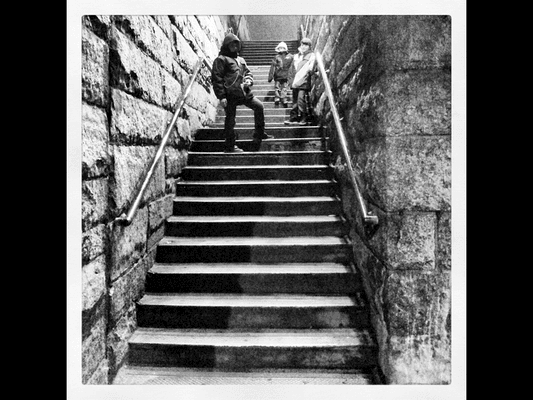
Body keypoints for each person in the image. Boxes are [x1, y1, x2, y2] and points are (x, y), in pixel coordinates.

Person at [211, 33, 274, 152]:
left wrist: (249, 80)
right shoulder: (221, 59)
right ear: (227, 45)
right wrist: (221, 96)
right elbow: (217, 78)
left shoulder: (241, 60)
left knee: (259, 107)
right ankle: (230, 146)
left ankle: (259, 133)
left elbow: (248, 73)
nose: (235, 46)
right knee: (230, 119)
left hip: (244, 93)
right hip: (230, 95)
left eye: (237, 44)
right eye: (232, 44)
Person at [284, 38, 316, 126]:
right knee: (295, 100)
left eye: (306, 45)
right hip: (295, 80)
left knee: (301, 99)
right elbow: (291, 68)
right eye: (302, 44)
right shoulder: (296, 56)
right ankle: (293, 117)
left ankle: (303, 117)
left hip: (304, 80)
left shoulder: (311, 55)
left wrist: (312, 72)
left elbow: (311, 68)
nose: (303, 47)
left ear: (309, 46)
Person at [267, 41, 294, 107]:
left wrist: (292, 77)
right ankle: (277, 98)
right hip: (278, 75)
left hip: (286, 75)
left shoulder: (290, 57)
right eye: (280, 48)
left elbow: (293, 67)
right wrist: (270, 76)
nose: (281, 49)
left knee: (284, 88)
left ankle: (283, 98)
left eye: (282, 47)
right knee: (277, 87)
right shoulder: (276, 57)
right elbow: (272, 67)